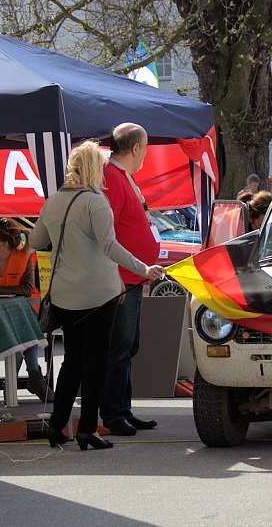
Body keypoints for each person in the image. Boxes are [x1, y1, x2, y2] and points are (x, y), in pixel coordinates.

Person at [29, 142, 164, 451]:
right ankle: (88, 428)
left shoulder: (53, 201)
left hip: (64, 293)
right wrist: (144, 268)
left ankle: (57, 425)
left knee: (72, 361)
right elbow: (110, 247)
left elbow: (37, 240)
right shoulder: (95, 201)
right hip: (98, 293)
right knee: (96, 362)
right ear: (95, 168)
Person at [101, 123, 164, 436]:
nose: (146, 153)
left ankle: (122, 410)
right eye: (146, 146)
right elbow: (106, 234)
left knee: (128, 346)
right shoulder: (112, 178)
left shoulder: (121, 177)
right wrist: (114, 277)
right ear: (136, 148)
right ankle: (113, 414)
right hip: (122, 280)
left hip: (132, 278)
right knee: (119, 348)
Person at [0, 218, 53, 403]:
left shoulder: (24, 257)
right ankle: (33, 376)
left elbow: (27, 289)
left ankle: (20, 380)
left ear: (4, 244)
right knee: (20, 333)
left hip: (25, 313)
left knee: (21, 330)